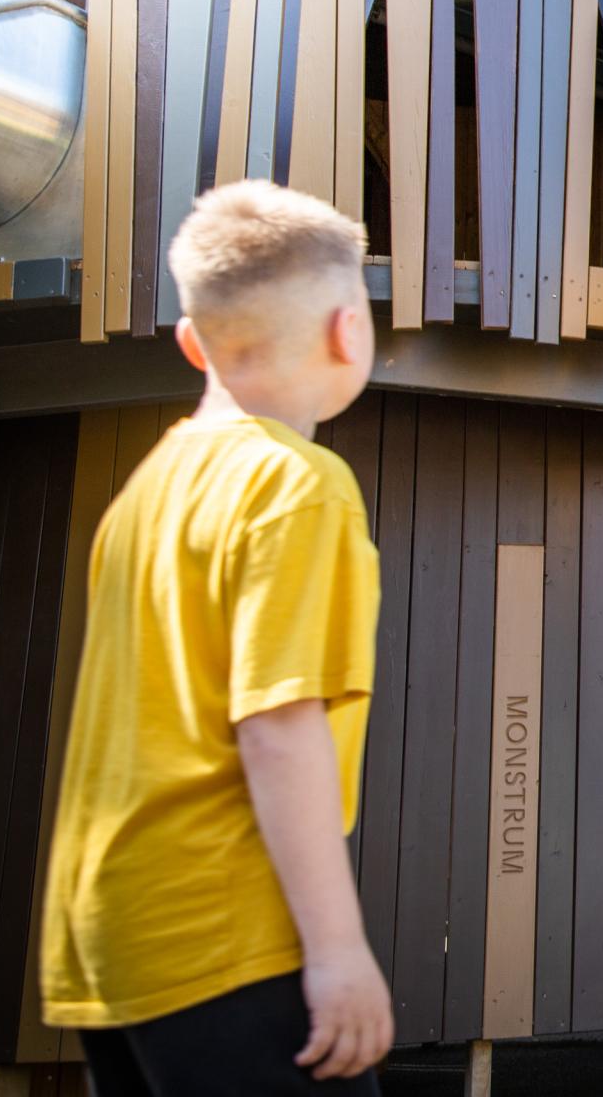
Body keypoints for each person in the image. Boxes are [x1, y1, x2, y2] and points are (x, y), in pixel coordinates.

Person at [40, 181, 390, 1092]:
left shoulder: (146, 489)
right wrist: (339, 947)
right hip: (230, 934)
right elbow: (277, 727)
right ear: (349, 330)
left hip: (110, 943)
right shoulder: (300, 486)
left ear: (194, 342)